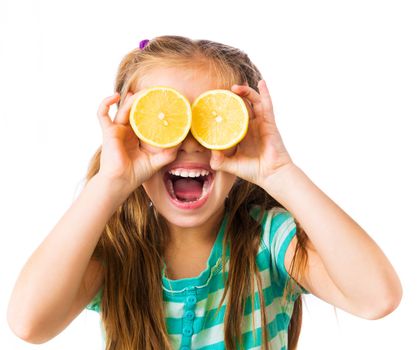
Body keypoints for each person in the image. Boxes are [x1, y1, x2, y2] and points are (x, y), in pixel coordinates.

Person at [7, 35, 402, 350]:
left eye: (213, 119)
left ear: (245, 129)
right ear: (130, 132)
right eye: (165, 122)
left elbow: (376, 299)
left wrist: (280, 172)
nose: (190, 142)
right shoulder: (117, 249)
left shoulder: (268, 241)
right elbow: (29, 324)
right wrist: (110, 182)